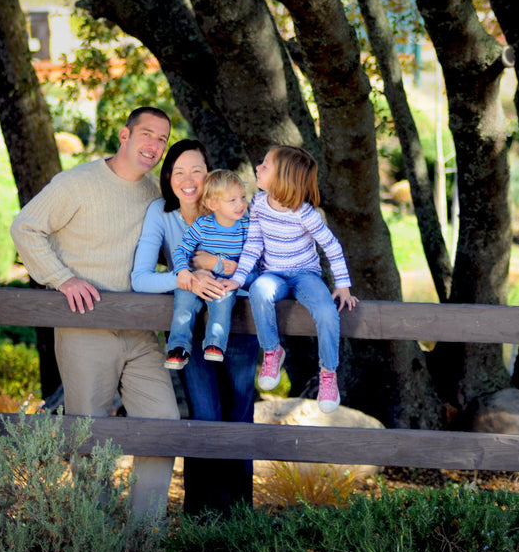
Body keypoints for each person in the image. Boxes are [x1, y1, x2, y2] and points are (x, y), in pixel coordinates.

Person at [10, 106, 179, 521]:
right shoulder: (76, 184)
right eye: (147, 134)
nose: (154, 145)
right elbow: (25, 227)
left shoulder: (156, 194)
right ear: (124, 134)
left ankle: (142, 534)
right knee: (88, 432)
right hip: (84, 326)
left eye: (162, 139)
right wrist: (61, 278)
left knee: (163, 424)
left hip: (140, 331)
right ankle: (94, 531)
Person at [131, 140, 258, 516]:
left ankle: (239, 518)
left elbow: (258, 263)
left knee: (239, 415)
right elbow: (140, 278)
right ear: (168, 176)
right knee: (204, 414)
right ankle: (202, 516)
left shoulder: (234, 209)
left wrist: (216, 263)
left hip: (239, 325)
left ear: (210, 174)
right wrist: (187, 277)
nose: (188, 180)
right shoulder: (161, 213)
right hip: (191, 331)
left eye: (197, 171)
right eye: (179, 171)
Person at [221, 145, 358, 414]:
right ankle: (272, 351)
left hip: (305, 275)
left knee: (327, 313)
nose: (258, 167)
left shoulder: (305, 214)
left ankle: (328, 374)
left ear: (283, 178)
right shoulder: (258, 204)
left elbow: (332, 247)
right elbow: (253, 244)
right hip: (273, 275)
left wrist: (343, 285)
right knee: (259, 289)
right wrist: (238, 278)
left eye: (265, 165)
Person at [165, 169, 250, 369]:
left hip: (226, 281)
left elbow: (254, 259)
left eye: (243, 198)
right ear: (212, 204)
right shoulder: (203, 225)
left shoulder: (247, 228)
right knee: (183, 302)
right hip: (198, 278)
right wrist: (183, 271)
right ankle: (178, 347)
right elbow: (181, 251)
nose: (240, 204)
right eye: (232, 200)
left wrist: (237, 271)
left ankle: (215, 343)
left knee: (222, 300)